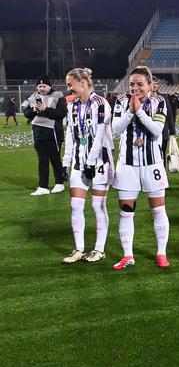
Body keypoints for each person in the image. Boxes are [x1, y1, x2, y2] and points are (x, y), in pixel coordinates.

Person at [110, 66, 171, 270]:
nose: (135, 88)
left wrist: (140, 112)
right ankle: (128, 256)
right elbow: (115, 129)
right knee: (126, 212)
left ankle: (161, 253)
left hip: (152, 164)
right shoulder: (120, 101)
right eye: (132, 84)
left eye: (140, 84)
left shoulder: (159, 101)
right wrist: (130, 111)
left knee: (158, 210)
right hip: (127, 165)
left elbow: (156, 131)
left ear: (150, 85)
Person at [60, 68, 114, 264]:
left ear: (82, 83)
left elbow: (99, 135)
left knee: (98, 206)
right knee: (76, 206)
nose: (68, 88)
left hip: (99, 162)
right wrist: (65, 163)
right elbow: (70, 134)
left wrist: (91, 161)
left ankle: (99, 249)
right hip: (79, 163)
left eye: (70, 84)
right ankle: (79, 249)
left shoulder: (101, 104)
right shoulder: (72, 106)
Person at [24, 78, 67, 196]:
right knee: (42, 160)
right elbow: (26, 114)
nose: (41, 88)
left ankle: (59, 183)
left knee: (55, 158)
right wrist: (33, 110)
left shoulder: (59, 96)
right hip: (38, 131)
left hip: (53, 132)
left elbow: (61, 113)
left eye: (44, 86)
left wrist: (45, 109)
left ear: (50, 86)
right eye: (39, 86)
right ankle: (43, 186)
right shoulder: (32, 97)